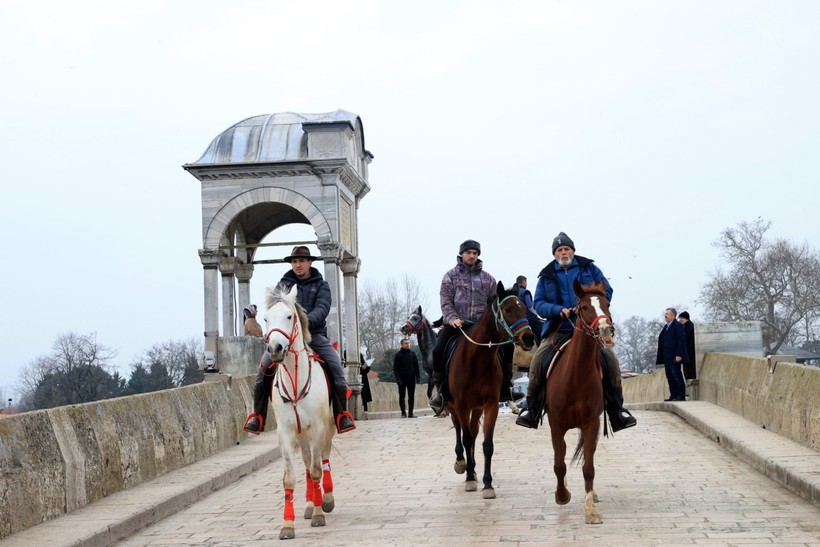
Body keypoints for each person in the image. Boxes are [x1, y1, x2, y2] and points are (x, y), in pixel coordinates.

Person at [515, 232, 637, 432]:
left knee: (611, 361)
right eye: (560, 250)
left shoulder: (589, 267)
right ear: (555, 254)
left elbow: (607, 291)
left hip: (588, 329)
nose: (564, 252)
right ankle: (532, 408)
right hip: (558, 329)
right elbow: (539, 304)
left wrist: (589, 302)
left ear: (573, 251)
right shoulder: (546, 275)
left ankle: (617, 410)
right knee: (538, 360)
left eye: (567, 249)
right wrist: (558, 310)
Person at [243, 246, 355, 435]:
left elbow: (323, 307)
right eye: (295, 261)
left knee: (336, 367)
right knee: (263, 370)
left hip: (314, 335)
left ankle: (341, 414)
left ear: (310, 262)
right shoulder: (282, 285)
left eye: (302, 261)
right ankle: (258, 416)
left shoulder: (321, 285)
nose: (298, 265)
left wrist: (302, 324)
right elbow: (274, 309)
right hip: (287, 338)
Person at [429, 239, 511, 415]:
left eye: (475, 253)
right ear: (462, 254)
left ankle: (506, 387)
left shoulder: (488, 279)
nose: (472, 255)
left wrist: (493, 324)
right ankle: (442, 391)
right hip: (457, 325)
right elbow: (445, 300)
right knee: (437, 351)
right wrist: (451, 318)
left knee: (506, 346)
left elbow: (493, 304)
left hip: (482, 328)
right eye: (469, 253)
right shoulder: (450, 276)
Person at [657, 307, 688, 401]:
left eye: (667, 314)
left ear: (673, 315)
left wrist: (679, 354)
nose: (665, 315)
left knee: (676, 375)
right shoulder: (666, 326)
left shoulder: (678, 326)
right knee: (669, 376)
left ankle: (681, 395)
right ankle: (673, 395)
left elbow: (681, 341)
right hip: (667, 356)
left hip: (674, 356)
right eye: (665, 313)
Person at [393, 338, 421, 417]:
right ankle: (403, 413)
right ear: (402, 344)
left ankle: (411, 413)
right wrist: (397, 379)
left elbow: (416, 366)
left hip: (411, 378)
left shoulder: (412, 354)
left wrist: (418, 377)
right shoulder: (398, 355)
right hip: (402, 379)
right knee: (402, 396)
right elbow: (395, 368)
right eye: (405, 343)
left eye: (408, 343)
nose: (407, 344)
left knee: (411, 396)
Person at [516, 275, 544, 346]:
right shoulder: (525, 292)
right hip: (531, 319)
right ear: (524, 282)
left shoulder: (515, 294)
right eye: (526, 282)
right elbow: (530, 306)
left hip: (521, 320)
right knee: (544, 333)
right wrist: (536, 314)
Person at [679, 311, 697, 380]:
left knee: (690, 375)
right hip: (687, 356)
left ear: (686, 318)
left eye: (682, 318)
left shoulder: (689, 327)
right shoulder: (685, 327)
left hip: (690, 356)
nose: (680, 320)